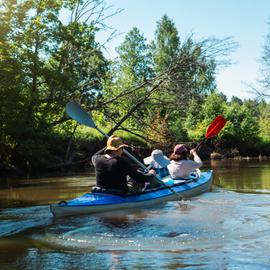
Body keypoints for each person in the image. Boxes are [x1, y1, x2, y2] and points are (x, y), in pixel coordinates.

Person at [91, 135, 157, 195]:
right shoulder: (121, 161)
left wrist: (109, 145)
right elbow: (140, 178)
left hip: (101, 191)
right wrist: (151, 174)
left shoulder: (97, 159)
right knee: (140, 178)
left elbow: (94, 155)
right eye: (122, 148)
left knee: (132, 177)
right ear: (120, 148)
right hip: (119, 193)